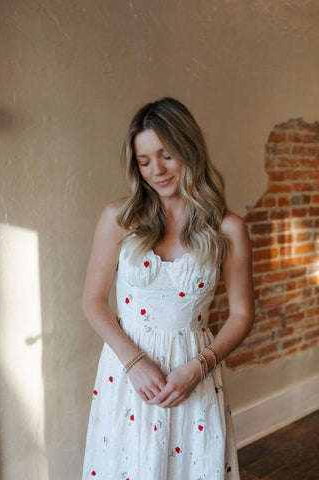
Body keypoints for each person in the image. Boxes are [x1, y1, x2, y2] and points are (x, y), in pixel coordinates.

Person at [81, 97, 254, 480]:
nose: (156, 170)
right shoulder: (119, 218)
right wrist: (134, 362)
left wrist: (198, 367)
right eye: (144, 161)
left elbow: (243, 315)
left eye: (166, 155)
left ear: (189, 149)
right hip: (127, 378)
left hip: (193, 374)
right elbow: (93, 301)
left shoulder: (228, 229)